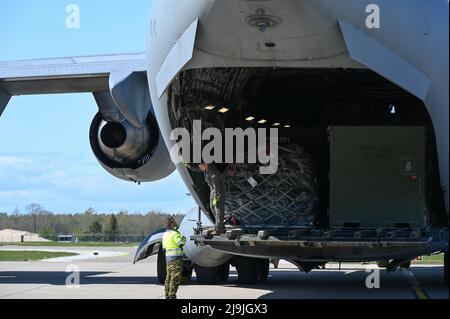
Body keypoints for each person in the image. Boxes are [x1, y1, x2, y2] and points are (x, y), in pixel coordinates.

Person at [198, 163, 227, 235]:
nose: (200, 168)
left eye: (200, 166)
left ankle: (219, 229)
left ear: (204, 164)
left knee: (218, 209)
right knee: (212, 207)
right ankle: (220, 225)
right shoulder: (206, 171)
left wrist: (216, 197)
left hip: (219, 190)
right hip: (213, 190)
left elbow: (217, 185)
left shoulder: (212, 171)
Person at [162, 216, 186, 299]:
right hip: (176, 259)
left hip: (168, 259)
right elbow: (181, 243)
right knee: (175, 278)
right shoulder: (175, 234)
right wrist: (183, 237)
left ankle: (167, 295)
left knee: (168, 278)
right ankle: (172, 295)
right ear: (172, 224)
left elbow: (164, 248)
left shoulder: (165, 234)